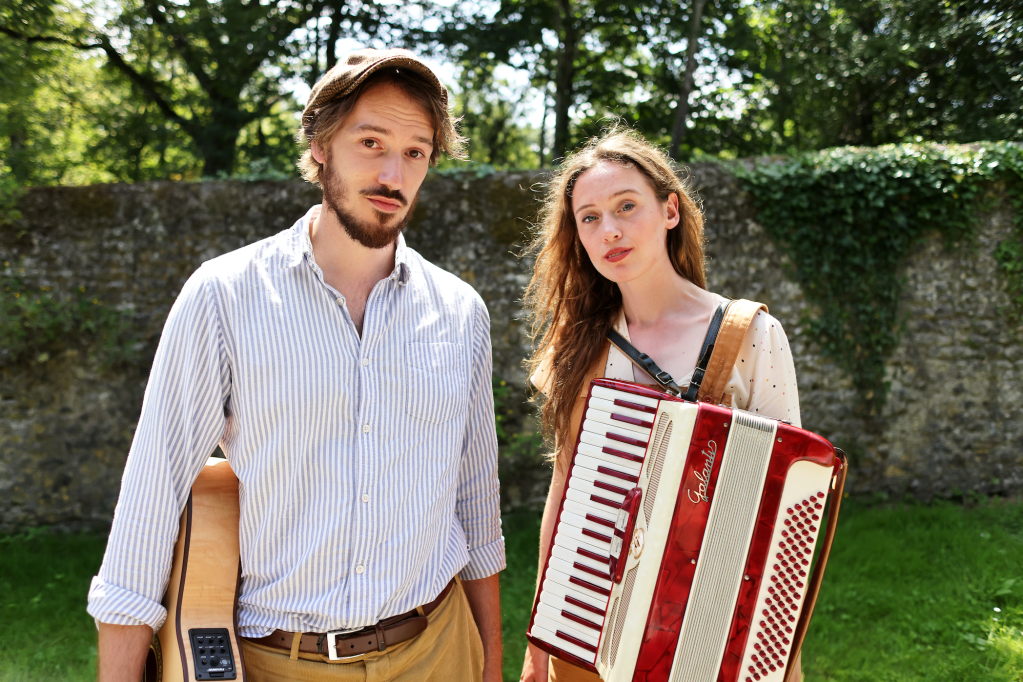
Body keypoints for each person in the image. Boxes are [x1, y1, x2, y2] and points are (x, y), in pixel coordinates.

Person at [86, 48, 505, 682]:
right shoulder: (223, 296)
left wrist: (489, 660)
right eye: (371, 141)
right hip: (279, 662)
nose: (394, 173)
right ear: (319, 145)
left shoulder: (461, 312)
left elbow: (475, 508)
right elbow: (152, 498)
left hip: (439, 651)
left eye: (416, 151)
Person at [518, 128, 803, 682]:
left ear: (670, 210)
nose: (611, 230)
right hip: (590, 622)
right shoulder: (578, 342)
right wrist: (540, 637)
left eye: (627, 206)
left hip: (712, 623)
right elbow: (564, 491)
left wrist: (774, 653)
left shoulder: (752, 335)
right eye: (590, 218)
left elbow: (786, 500)